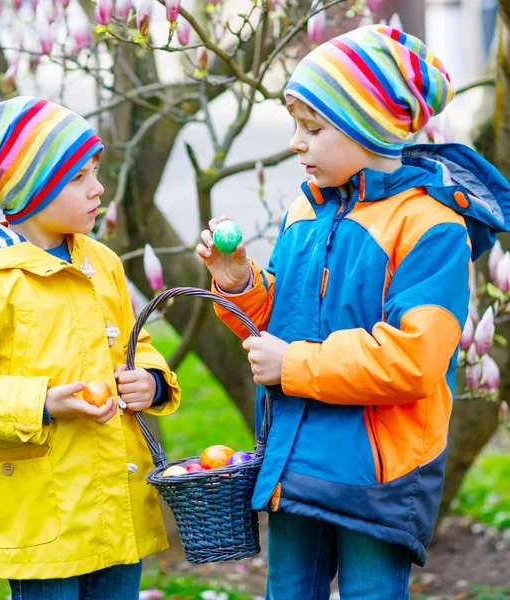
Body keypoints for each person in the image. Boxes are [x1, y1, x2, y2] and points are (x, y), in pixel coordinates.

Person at [197, 25, 510, 599]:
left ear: (367, 128)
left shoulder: (430, 227)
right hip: (296, 459)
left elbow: (413, 359)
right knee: (289, 590)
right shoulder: (305, 211)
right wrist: (239, 283)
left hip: (376, 476)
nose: (296, 142)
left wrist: (292, 364)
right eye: (295, 126)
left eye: (312, 128)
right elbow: (284, 320)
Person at [0, 96, 180, 600]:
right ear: (30, 188)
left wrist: (149, 379)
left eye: (96, 172)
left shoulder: (101, 263)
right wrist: (42, 402)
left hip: (116, 504)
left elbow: (136, 342)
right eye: (78, 177)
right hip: (45, 510)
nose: (98, 188)